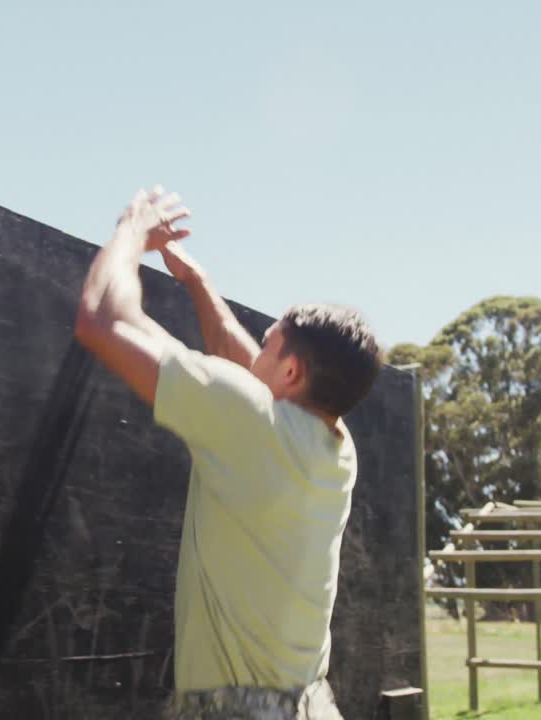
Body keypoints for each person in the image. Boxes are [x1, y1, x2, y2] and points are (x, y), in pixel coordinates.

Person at [73, 186, 382, 720]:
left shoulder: (253, 426)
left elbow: (103, 318)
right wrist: (197, 282)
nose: (254, 350)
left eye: (269, 342)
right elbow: (239, 361)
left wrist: (133, 229)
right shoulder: (334, 448)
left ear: (289, 373)